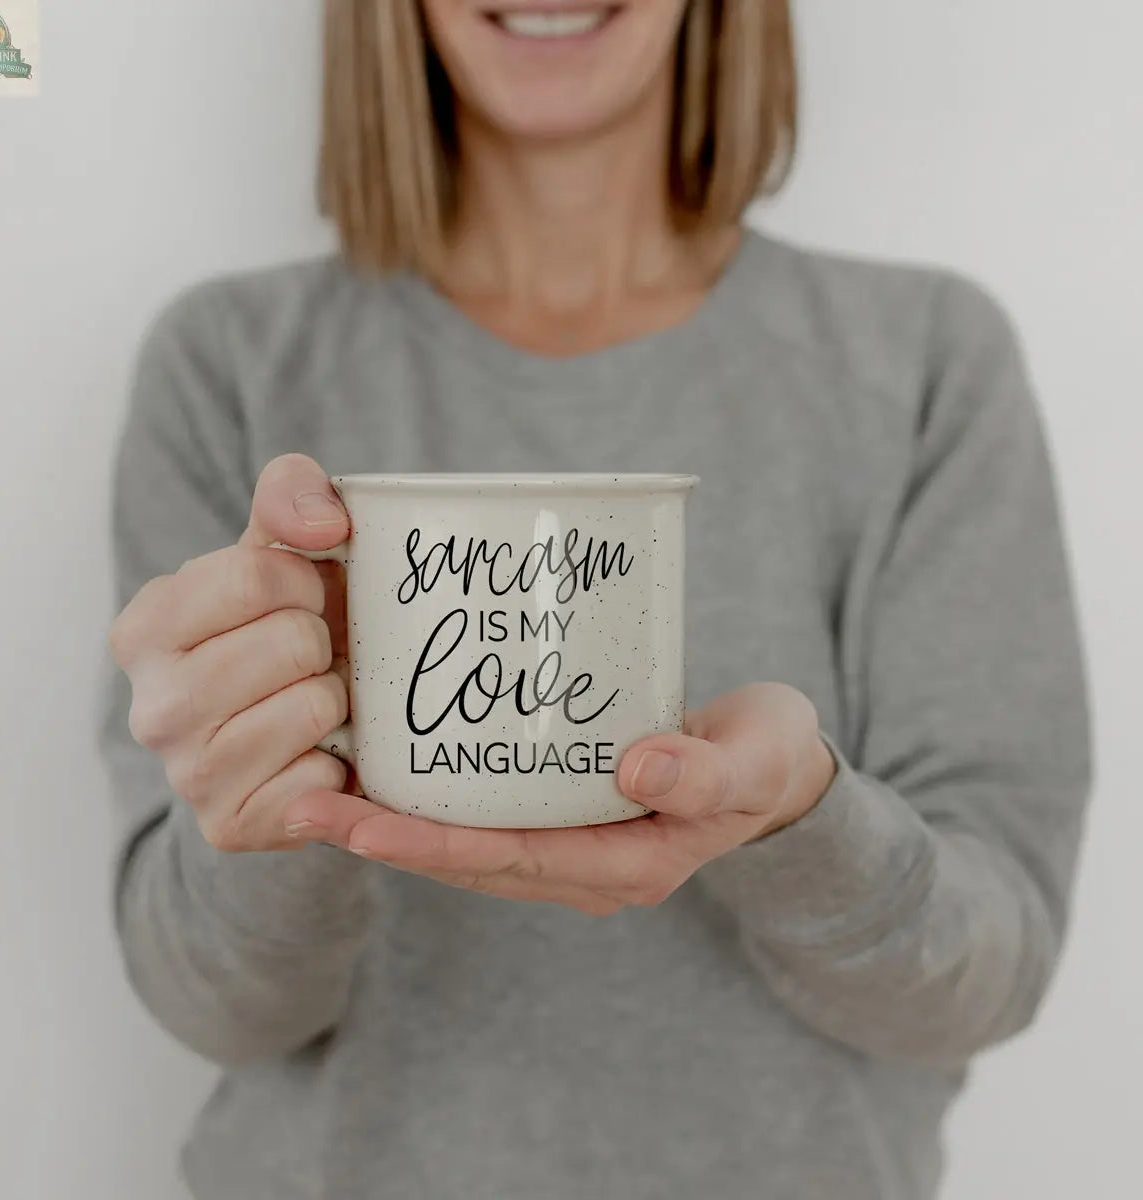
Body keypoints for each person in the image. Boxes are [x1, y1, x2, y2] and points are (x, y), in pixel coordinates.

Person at [100, 2, 1092, 1198]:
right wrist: (279, 801)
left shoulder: (926, 362)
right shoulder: (228, 365)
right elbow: (213, 1006)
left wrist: (801, 823)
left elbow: (991, 977)